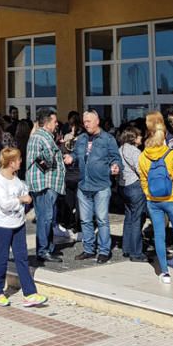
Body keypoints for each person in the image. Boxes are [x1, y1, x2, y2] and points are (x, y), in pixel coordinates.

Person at [0, 147, 48, 307]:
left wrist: (26, 196)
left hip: (18, 223)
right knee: (1, 259)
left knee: (22, 258)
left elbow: (23, 190)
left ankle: (30, 294)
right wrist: (22, 199)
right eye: (19, 159)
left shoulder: (15, 177)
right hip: (2, 225)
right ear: (11, 162)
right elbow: (5, 204)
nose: (21, 161)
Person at [63, 110, 122, 263]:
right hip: (83, 185)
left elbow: (116, 158)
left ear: (97, 121)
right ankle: (89, 249)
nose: (86, 124)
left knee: (102, 219)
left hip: (101, 186)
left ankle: (104, 251)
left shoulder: (108, 139)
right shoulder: (81, 138)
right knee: (85, 220)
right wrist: (71, 157)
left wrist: (116, 166)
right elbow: (76, 154)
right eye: (85, 121)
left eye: (89, 121)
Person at [139, 112, 173, 283]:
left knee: (159, 235)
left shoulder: (143, 156)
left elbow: (143, 180)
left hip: (153, 201)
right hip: (172, 198)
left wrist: (149, 194)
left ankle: (165, 273)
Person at [25, 110, 65, 263]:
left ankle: (46, 248)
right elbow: (47, 158)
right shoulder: (43, 136)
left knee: (45, 217)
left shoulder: (39, 136)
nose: (56, 125)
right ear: (47, 123)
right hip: (45, 183)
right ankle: (43, 250)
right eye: (55, 122)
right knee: (45, 218)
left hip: (42, 183)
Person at [117, 126, 148, 262]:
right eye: (139, 135)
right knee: (137, 219)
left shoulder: (120, 149)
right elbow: (141, 169)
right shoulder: (135, 152)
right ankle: (136, 252)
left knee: (129, 217)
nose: (141, 138)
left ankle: (127, 248)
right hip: (135, 186)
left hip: (123, 186)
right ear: (133, 137)